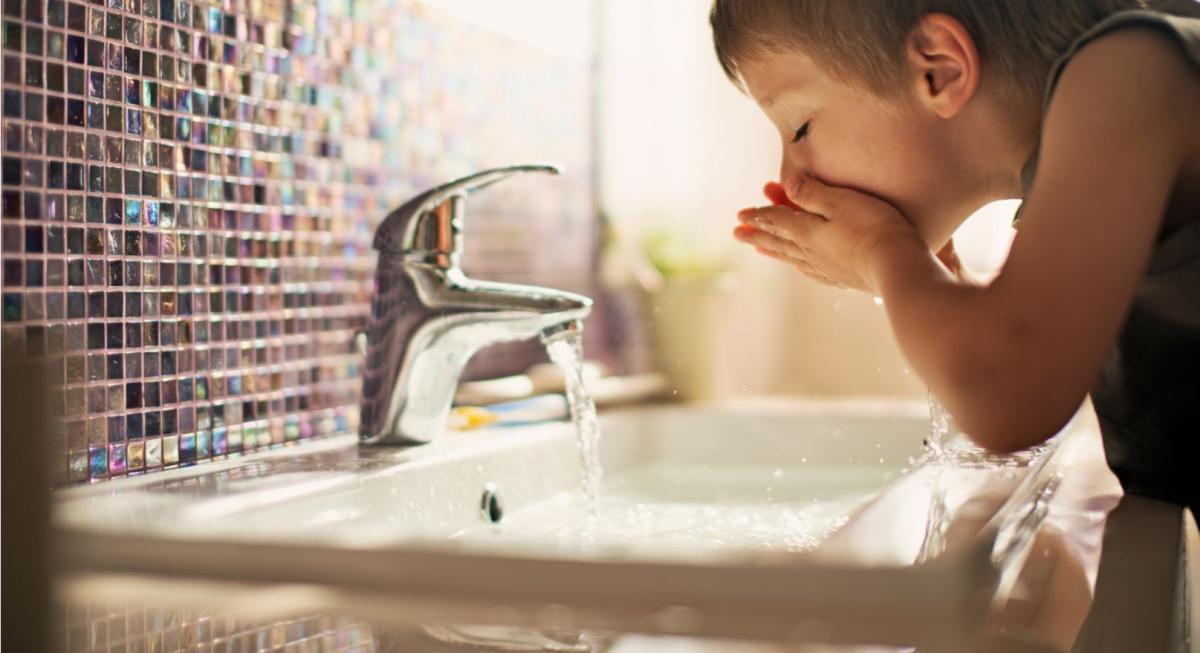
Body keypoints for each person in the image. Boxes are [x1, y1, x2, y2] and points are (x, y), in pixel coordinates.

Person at [711, 0, 1200, 519]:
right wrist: (941, 279)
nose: (789, 180)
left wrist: (882, 251)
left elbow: (1007, 398)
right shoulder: (1085, 152)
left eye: (800, 128)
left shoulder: (1128, 75)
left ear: (940, 70)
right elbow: (1019, 347)